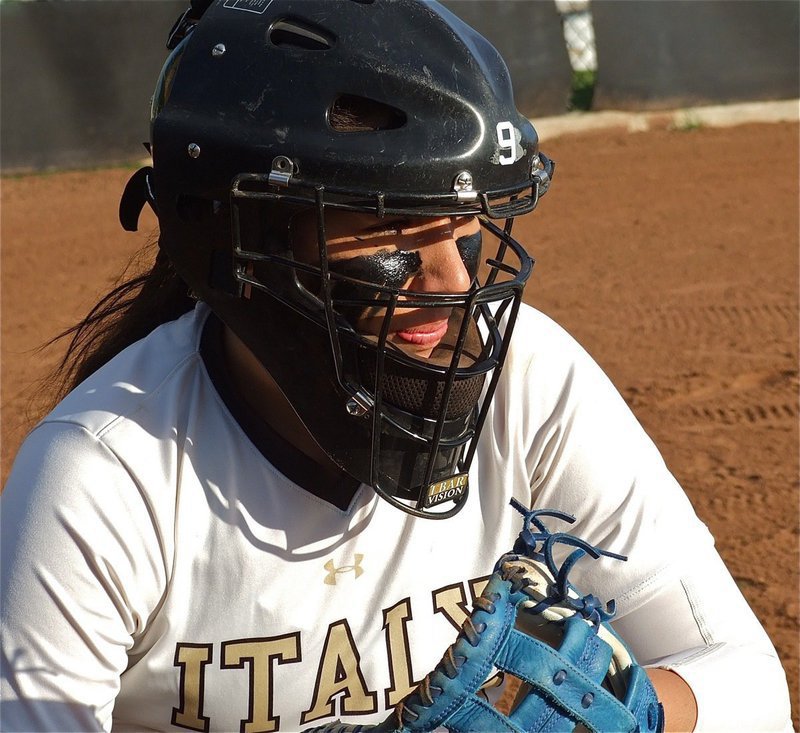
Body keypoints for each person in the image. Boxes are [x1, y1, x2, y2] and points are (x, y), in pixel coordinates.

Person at [1, 1, 791, 731]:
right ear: (246, 237)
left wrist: (624, 713)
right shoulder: (107, 476)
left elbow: (750, 688)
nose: (454, 283)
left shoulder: (526, 380)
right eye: (392, 226)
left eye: (464, 226)